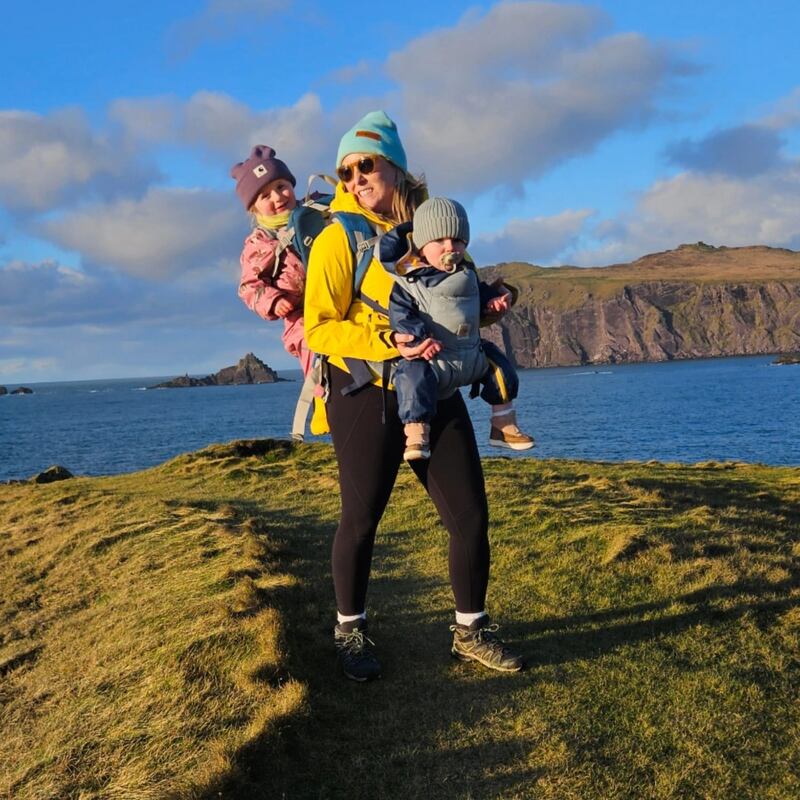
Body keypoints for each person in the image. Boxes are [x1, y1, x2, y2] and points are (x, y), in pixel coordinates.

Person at [304, 110, 524, 681]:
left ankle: (470, 632)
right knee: (361, 518)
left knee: (470, 514)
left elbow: (457, 302)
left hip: (435, 386)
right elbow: (319, 328)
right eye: (345, 171)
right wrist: (388, 339)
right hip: (362, 393)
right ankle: (350, 632)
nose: (355, 179)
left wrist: (491, 301)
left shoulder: (435, 229)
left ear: (395, 167)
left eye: (365, 164)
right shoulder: (338, 238)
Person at [380, 196, 535, 461]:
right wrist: (417, 340)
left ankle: (503, 423)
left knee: (500, 365)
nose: (449, 247)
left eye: (458, 241)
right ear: (421, 244)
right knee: (411, 377)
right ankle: (416, 434)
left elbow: (473, 298)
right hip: (432, 357)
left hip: (469, 353)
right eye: (439, 241)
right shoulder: (409, 281)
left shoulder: (467, 272)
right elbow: (401, 314)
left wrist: (492, 302)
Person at [231, 145, 313, 377]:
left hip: (340, 300)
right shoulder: (260, 244)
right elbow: (249, 287)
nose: (277, 197)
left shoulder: (318, 212)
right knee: (315, 353)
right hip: (302, 316)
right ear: (254, 208)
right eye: (265, 195)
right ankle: (323, 401)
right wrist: (274, 301)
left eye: (281, 186)